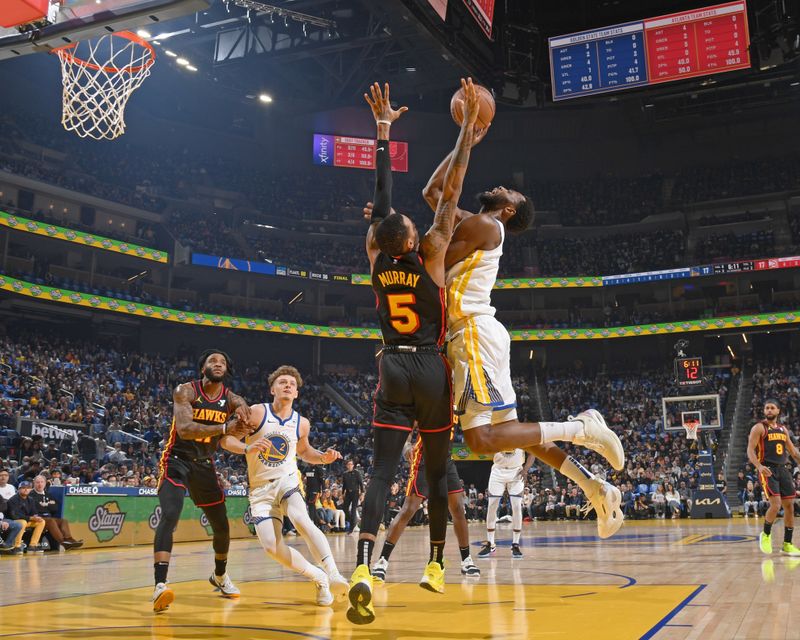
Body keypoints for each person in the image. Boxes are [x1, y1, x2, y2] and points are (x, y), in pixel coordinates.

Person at [421, 115, 625, 541]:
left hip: (473, 333)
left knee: (481, 440)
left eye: (507, 191)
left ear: (508, 209)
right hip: (480, 334)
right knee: (514, 435)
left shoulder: (483, 225)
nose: (499, 186)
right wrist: (464, 142)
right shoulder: (477, 223)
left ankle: (582, 427)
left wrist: (464, 141)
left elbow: (432, 254)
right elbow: (434, 193)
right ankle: (595, 486)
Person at [347, 79, 479, 627]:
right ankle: (435, 565)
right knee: (438, 467)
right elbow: (451, 192)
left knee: (381, 472)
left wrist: (383, 130)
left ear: (382, 236)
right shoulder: (433, 253)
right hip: (430, 365)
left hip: (391, 363)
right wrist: (468, 129)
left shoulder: (375, 254)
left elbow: (381, 193)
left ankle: (361, 566)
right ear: (415, 239)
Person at [220, 365, 349, 606]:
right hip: (259, 489)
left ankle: (333, 573)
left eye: (292, 383)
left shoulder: (302, 423)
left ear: (297, 393)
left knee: (301, 519)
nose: (288, 385)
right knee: (271, 546)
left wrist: (323, 457)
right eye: (282, 382)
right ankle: (318, 577)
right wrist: (246, 447)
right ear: (272, 389)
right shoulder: (257, 413)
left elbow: (304, 452)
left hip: (287, 480)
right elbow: (226, 440)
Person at [151, 349, 252, 613]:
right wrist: (223, 428)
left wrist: (243, 410)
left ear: (226, 370)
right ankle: (160, 585)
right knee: (170, 514)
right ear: (202, 368)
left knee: (221, 526)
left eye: (222, 362)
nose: (218, 364)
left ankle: (219, 576)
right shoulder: (186, 391)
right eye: (212, 361)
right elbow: (185, 429)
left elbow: (240, 403)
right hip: (177, 461)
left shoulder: (229, 397)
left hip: (205, 465)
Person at [372, 433, 480, 581]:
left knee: (458, 509)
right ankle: (382, 561)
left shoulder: (456, 409)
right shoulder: (423, 408)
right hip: (423, 460)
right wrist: (406, 447)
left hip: (445, 461)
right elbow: (407, 431)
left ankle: (466, 560)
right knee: (408, 510)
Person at [747, 399, 800, 556]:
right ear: (764, 411)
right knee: (776, 505)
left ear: (778, 411)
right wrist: (759, 466)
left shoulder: (784, 430)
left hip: (782, 470)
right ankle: (766, 534)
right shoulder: (759, 428)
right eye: (767, 408)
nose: (769, 410)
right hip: (767, 469)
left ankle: (787, 544)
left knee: (789, 505)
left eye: (772, 408)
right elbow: (750, 450)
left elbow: (793, 452)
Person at [478, 449, 534, 559]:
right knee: (492, 506)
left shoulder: (522, 434)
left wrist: (526, 469)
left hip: (517, 471)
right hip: (498, 470)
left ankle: (515, 544)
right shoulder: (495, 431)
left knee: (517, 507)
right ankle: (491, 543)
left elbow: (533, 453)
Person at [31, 475, 83, 550]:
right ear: (34, 483)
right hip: (37, 518)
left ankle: (69, 540)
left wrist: (44, 505)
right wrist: (49, 504)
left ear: (45, 483)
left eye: (42, 482)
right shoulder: (31, 495)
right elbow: (35, 508)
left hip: (48, 517)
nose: (40, 484)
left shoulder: (48, 494)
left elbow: (55, 508)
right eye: (37, 482)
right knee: (51, 521)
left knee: (63, 521)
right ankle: (63, 542)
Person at [7, 480, 46, 552]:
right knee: (23, 522)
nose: (26, 489)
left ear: (30, 489)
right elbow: (14, 515)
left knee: (41, 522)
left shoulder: (30, 500)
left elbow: (34, 512)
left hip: (26, 520)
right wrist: (31, 518)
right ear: (19, 489)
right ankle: (16, 546)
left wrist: (36, 517)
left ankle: (33, 545)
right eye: (23, 488)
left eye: (28, 488)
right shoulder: (13, 500)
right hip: (13, 521)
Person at [341, 460, 363, 533]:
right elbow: (344, 485)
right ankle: (353, 521)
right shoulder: (345, 474)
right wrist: (342, 493)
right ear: (347, 466)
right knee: (345, 508)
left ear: (353, 465)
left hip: (355, 493)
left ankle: (351, 527)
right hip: (347, 492)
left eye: (351, 464)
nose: (349, 465)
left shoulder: (357, 473)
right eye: (348, 464)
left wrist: (362, 493)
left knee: (353, 510)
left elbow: (361, 483)